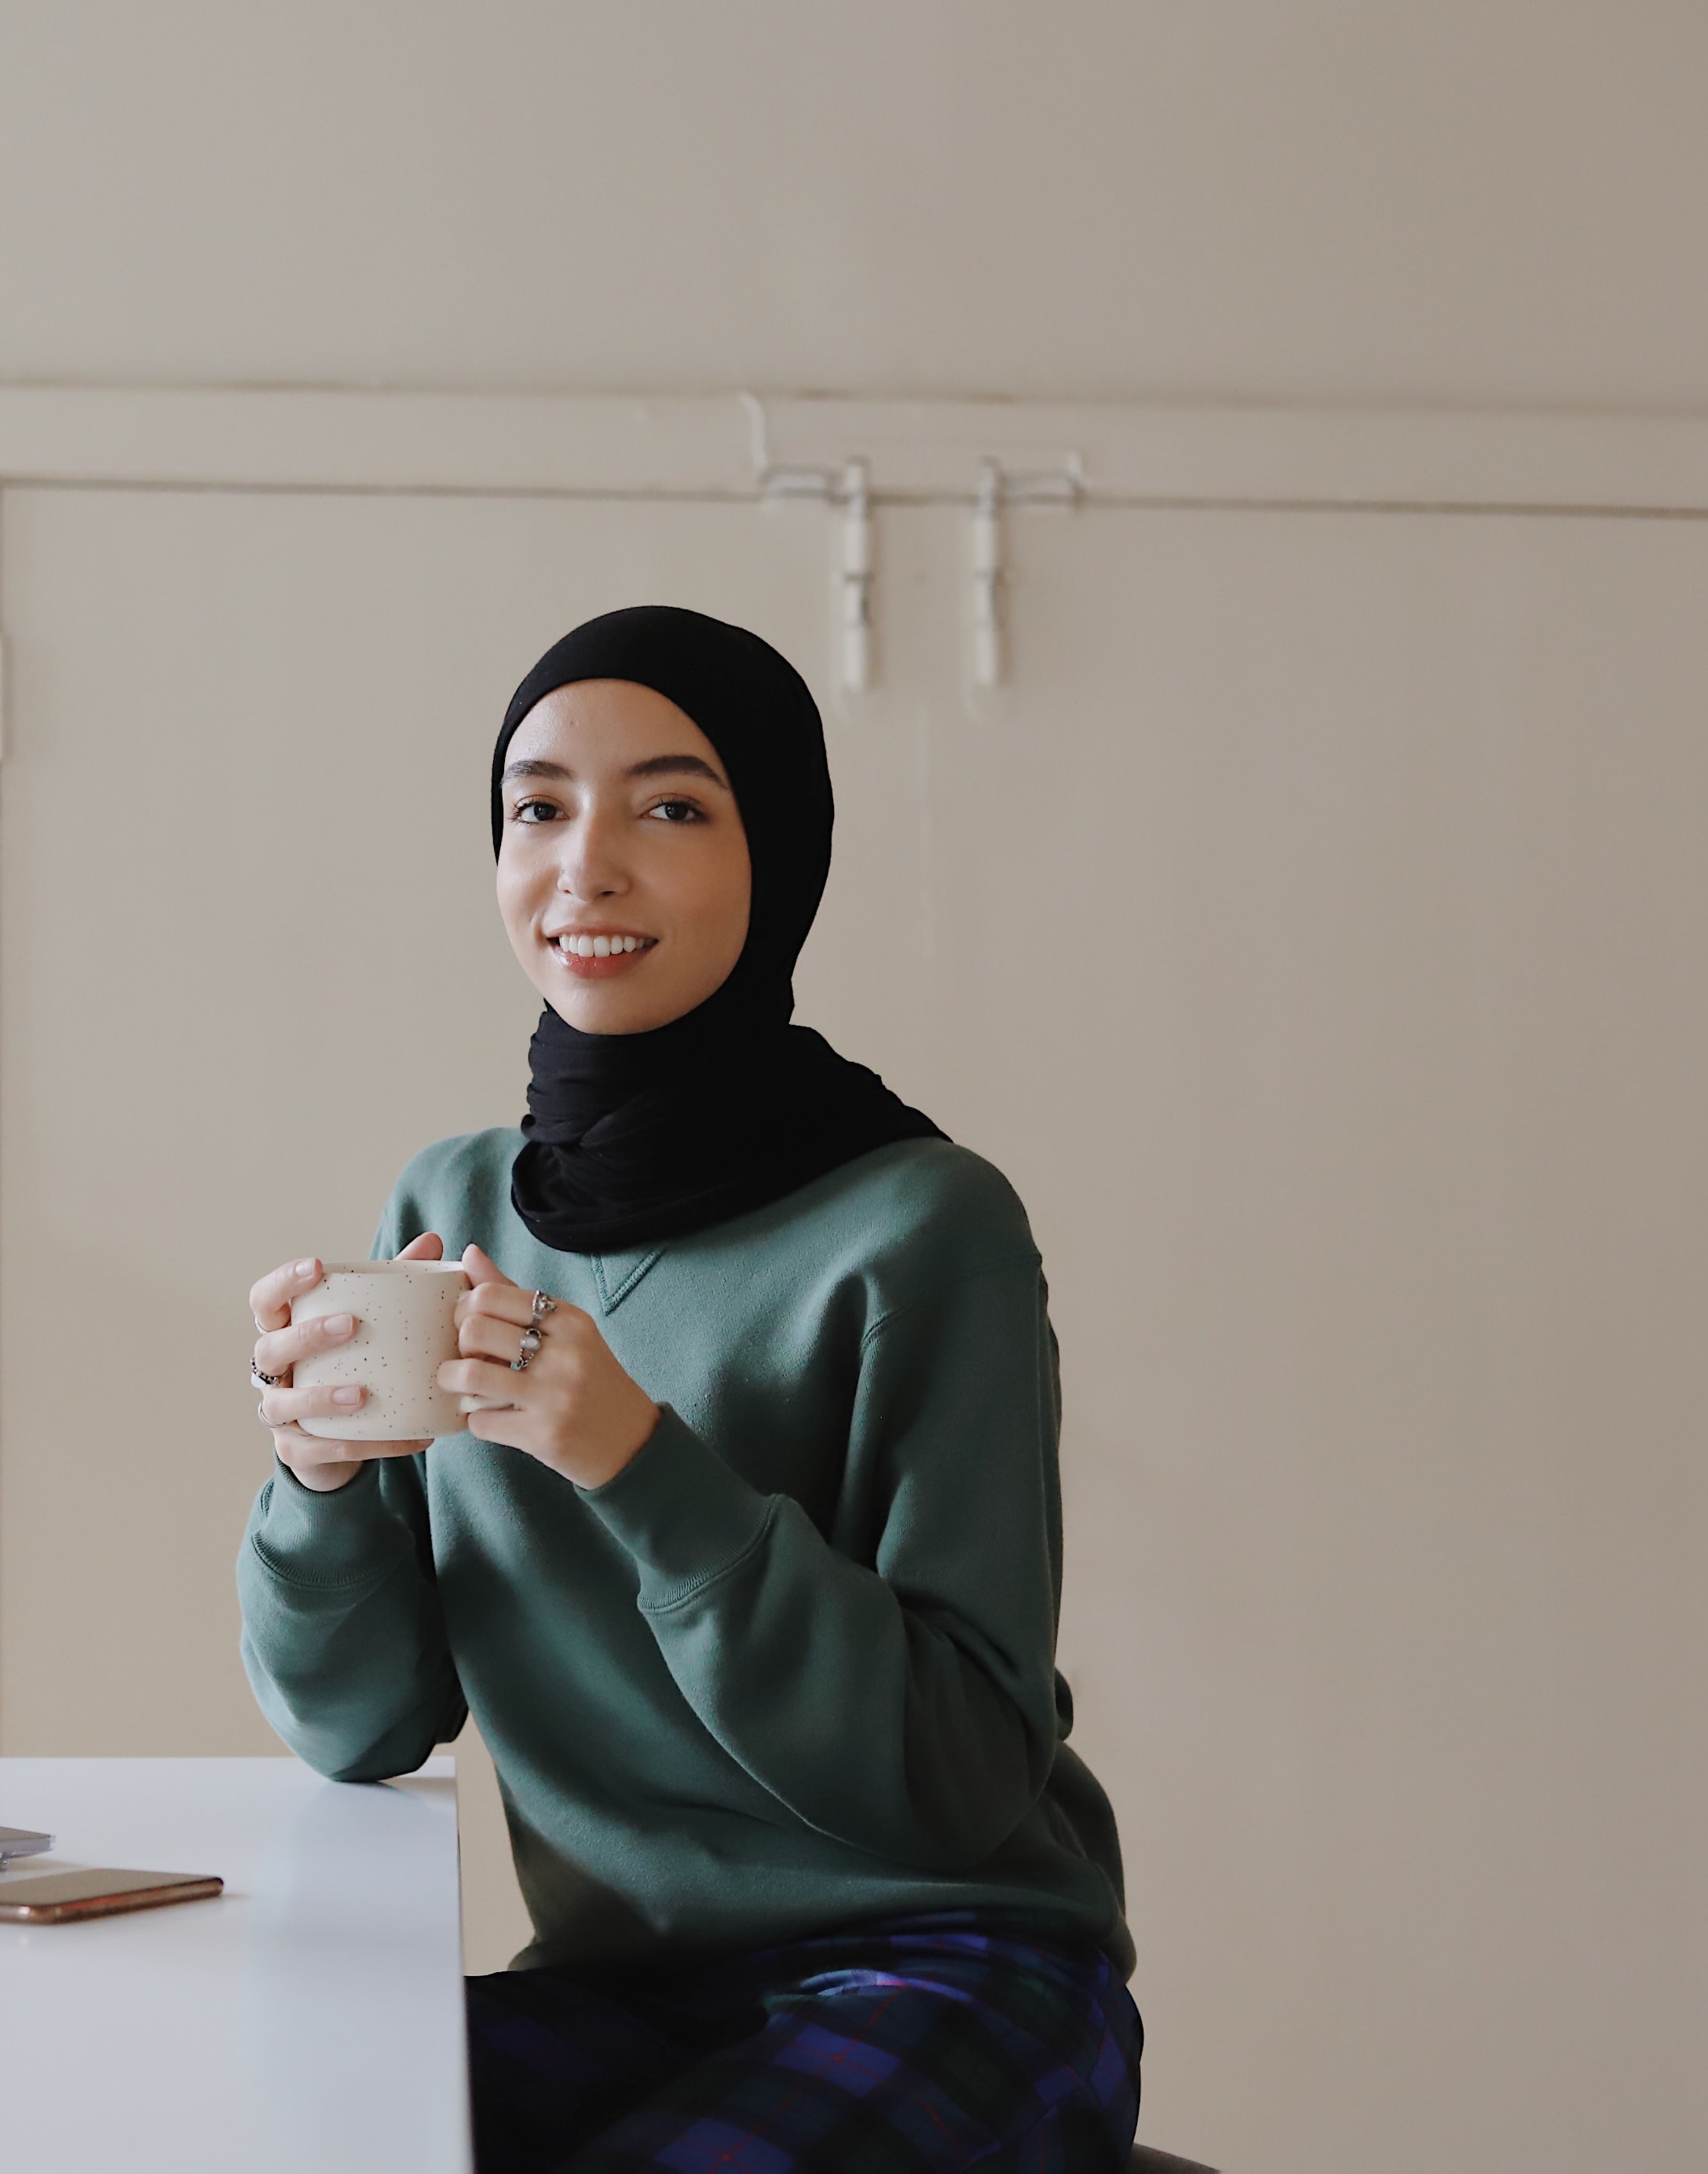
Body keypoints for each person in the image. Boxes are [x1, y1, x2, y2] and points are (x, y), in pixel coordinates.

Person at [237, 606, 1139, 2172]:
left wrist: (640, 1464)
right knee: (239, 2121)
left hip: (954, 1967)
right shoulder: (451, 1201)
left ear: (775, 853)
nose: (583, 867)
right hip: (626, 1986)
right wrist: (317, 1483)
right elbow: (364, 1727)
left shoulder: (925, 1226)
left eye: (670, 807)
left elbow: (953, 1777)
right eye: (537, 807)